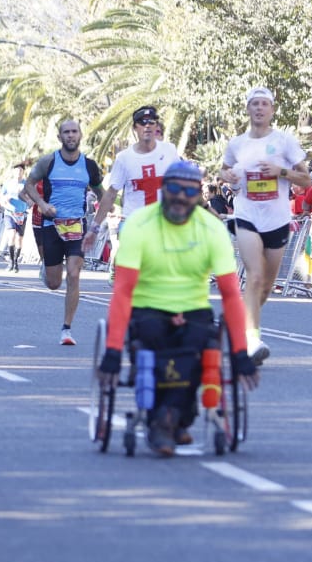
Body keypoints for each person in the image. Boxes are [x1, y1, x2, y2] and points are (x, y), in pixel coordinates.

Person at [97, 160, 260, 456]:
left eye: (189, 191)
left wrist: (239, 352)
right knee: (155, 340)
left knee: (199, 347)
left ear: (199, 194)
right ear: (163, 190)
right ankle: (171, 418)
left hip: (194, 308)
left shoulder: (212, 229)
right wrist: (111, 351)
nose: (181, 197)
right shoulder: (139, 225)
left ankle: (169, 419)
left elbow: (231, 295)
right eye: (174, 188)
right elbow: (122, 292)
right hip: (148, 306)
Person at [217, 87, 310, 363]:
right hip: (247, 216)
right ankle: (251, 340)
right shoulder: (237, 144)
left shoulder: (285, 142)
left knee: (266, 287)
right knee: (254, 276)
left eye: (264, 104)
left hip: (277, 220)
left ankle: (236, 324)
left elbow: (306, 180)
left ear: (272, 110)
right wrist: (227, 174)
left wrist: (280, 171)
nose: (259, 108)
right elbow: (222, 171)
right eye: (254, 104)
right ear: (248, 109)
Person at [23, 118, 103, 345]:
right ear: (60, 137)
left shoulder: (89, 166)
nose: (70, 136)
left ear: (80, 135)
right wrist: (41, 203)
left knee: (75, 274)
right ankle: (46, 270)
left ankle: (66, 329)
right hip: (52, 226)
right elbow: (28, 185)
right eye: (66, 132)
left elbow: (101, 192)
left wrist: (103, 214)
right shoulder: (48, 162)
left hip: (77, 226)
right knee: (54, 283)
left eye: (74, 132)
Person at [91, 105, 182, 243]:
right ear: (135, 128)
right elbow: (110, 194)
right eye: (142, 122)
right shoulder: (124, 158)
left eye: (151, 122)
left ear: (156, 125)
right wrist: (94, 228)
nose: (147, 126)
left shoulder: (170, 151)